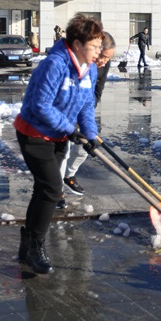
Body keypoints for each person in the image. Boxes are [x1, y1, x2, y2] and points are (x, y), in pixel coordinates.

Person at [13, 13, 102, 274]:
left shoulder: (90, 69)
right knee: (52, 188)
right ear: (77, 45)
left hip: (58, 136)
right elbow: (40, 106)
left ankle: (26, 243)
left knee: (43, 190)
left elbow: (86, 106)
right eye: (94, 45)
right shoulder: (54, 64)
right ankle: (35, 248)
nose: (99, 50)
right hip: (34, 133)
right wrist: (69, 129)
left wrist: (90, 134)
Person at [58, 31, 116, 206]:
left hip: (84, 108)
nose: (104, 62)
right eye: (103, 57)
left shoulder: (102, 64)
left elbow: (97, 91)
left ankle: (69, 174)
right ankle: (57, 190)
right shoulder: (74, 63)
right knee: (63, 149)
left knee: (86, 144)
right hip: (64, 112)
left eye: (108, 59)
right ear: (96, 50)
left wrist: (86, 118)